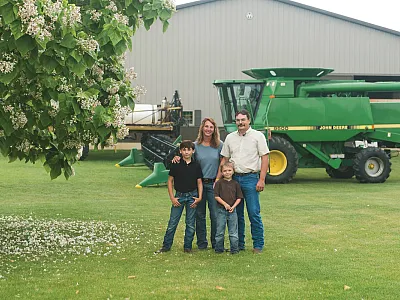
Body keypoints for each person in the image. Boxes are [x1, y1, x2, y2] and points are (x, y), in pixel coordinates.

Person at [219, 109, 269, 254]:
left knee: (253, 212)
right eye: (238, 120)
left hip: (251, 178)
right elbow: (225, 159)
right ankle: (238, 244)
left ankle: (258, 245)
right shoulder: (230, 138)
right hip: (234, 180)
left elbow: (265, 157)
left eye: (243, 120)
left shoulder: (258, 136)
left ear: (249, 121)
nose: (240, 123)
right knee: (236, 214)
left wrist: (261, 179)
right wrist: (219, 179)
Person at [173, 118, 223, 250]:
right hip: (198, 186)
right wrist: (177, 157)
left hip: (213, 184)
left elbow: (223, 164)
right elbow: (187, 159)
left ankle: (216, 243)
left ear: (214, 129)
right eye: (206, 126)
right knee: (200, 215)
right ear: (202, 128)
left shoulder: (219, 145)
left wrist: (217, 180)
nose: (208, 129)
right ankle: (202, 243)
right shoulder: (195, 146)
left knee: (215, 215)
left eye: (211, 127)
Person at [156, 140, 203, 253]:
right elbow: (170, 181)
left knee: (190, 224)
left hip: (192, 197)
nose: (186, 152)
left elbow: (199, 182)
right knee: (173, 222)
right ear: (180, 151)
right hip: (179, 196)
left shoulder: (196, 165)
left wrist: (200, 197)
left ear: (193, 151)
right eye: (184, 150)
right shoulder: (176, 164)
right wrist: (172, 197)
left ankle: (188, 247)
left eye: (189, 150)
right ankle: (166, 246)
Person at [214, 161, 243, 254]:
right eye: (225, 171)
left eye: (229, 170)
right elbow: (216, 196)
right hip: (221, 210)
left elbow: (239, 198)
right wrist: (225, 204)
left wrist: (233, 207)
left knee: (233, 232)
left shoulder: (236, 184)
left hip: (232, 211)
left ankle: (234, 249)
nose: (227, 172)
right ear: (221, 172)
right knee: (219, 231)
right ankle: (219, 249)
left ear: (233, 171)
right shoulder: (219, 183)